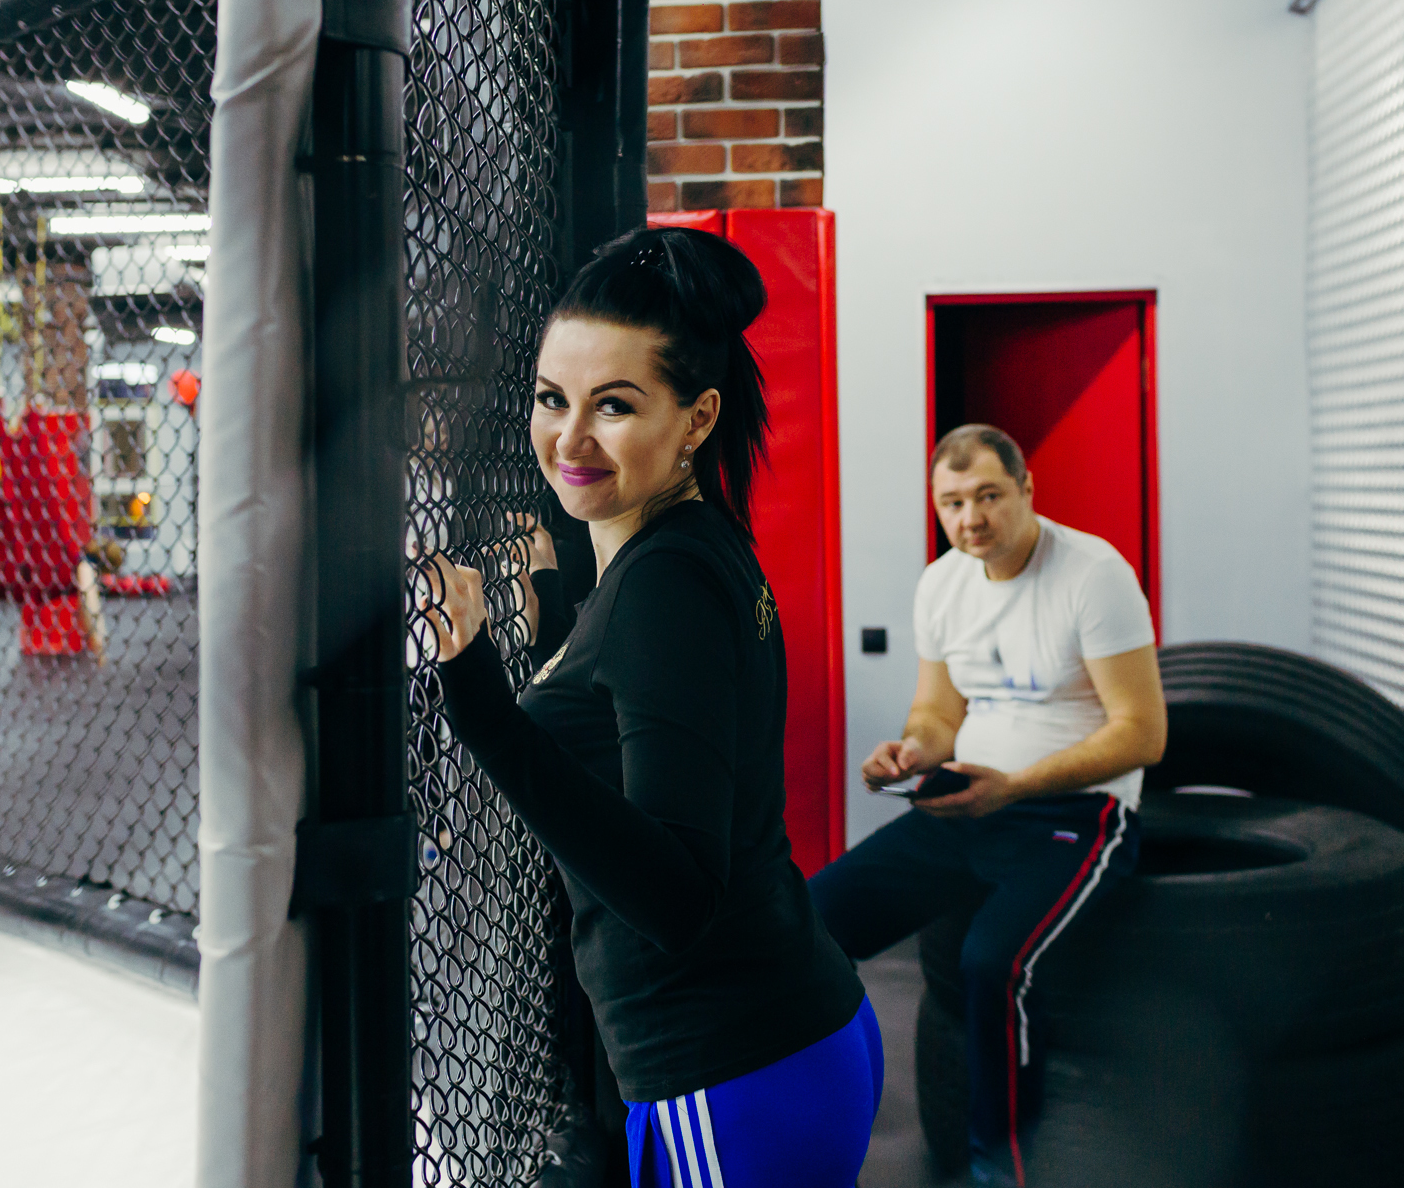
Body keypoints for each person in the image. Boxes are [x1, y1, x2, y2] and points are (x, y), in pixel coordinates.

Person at [420, 225, 883, 1188]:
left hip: (730, 1072)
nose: (569, 439)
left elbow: (676, 895)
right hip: (774, 1039)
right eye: (552, 398)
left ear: (697, 417)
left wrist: (481, 699)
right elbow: (635, 720)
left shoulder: (663, 585)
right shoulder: (689, 547)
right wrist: (558, 624)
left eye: (615, 405)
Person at [808, 424, 1166, 1188]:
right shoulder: (943, 584)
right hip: (969, 802)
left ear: (1027, 489)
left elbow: (1143, 732)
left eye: (989, 496)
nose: (971, 518)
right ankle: (816, 1124)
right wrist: (909, 753)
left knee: (993, 963)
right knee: (811, 920)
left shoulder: (1094, 574)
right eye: (952, 503)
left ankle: (998, 1169)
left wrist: (1018, 785)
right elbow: (938, 714)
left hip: (1077, 812)